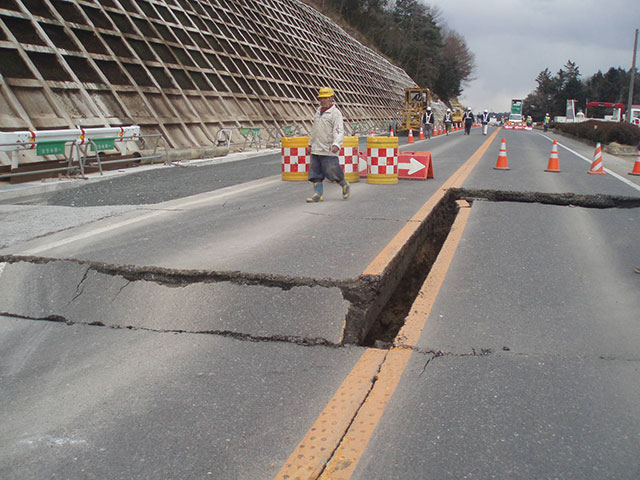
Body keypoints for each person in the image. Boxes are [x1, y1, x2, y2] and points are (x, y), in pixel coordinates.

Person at [307, 87, 349, 203]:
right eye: (321, 98)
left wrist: (337, 144)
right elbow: (314, 130)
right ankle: (318, 194)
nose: (323, 100)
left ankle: (344, 184)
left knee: (332, 170)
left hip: (328, 148)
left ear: (331, 98)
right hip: (316, 147)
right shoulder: (318, 111)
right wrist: (310, 144)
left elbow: (339, 130)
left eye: (325, 98)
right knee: (315, 172)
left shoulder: (335, 114)